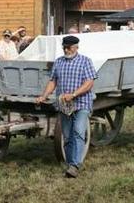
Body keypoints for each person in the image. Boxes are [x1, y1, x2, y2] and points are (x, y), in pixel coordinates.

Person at [36, 36, 96, 178]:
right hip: (64, 105)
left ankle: (75, 165)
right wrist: (44, 96)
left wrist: (74, 94)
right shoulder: (59, 62)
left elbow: (89, 82)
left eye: (69, 48)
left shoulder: (85, 61)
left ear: (76, 47)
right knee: (67, 136)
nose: (66, 50)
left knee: (78, 132)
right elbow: (53, 82)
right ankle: (70, 163)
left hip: (81, 103)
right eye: (64, 48)